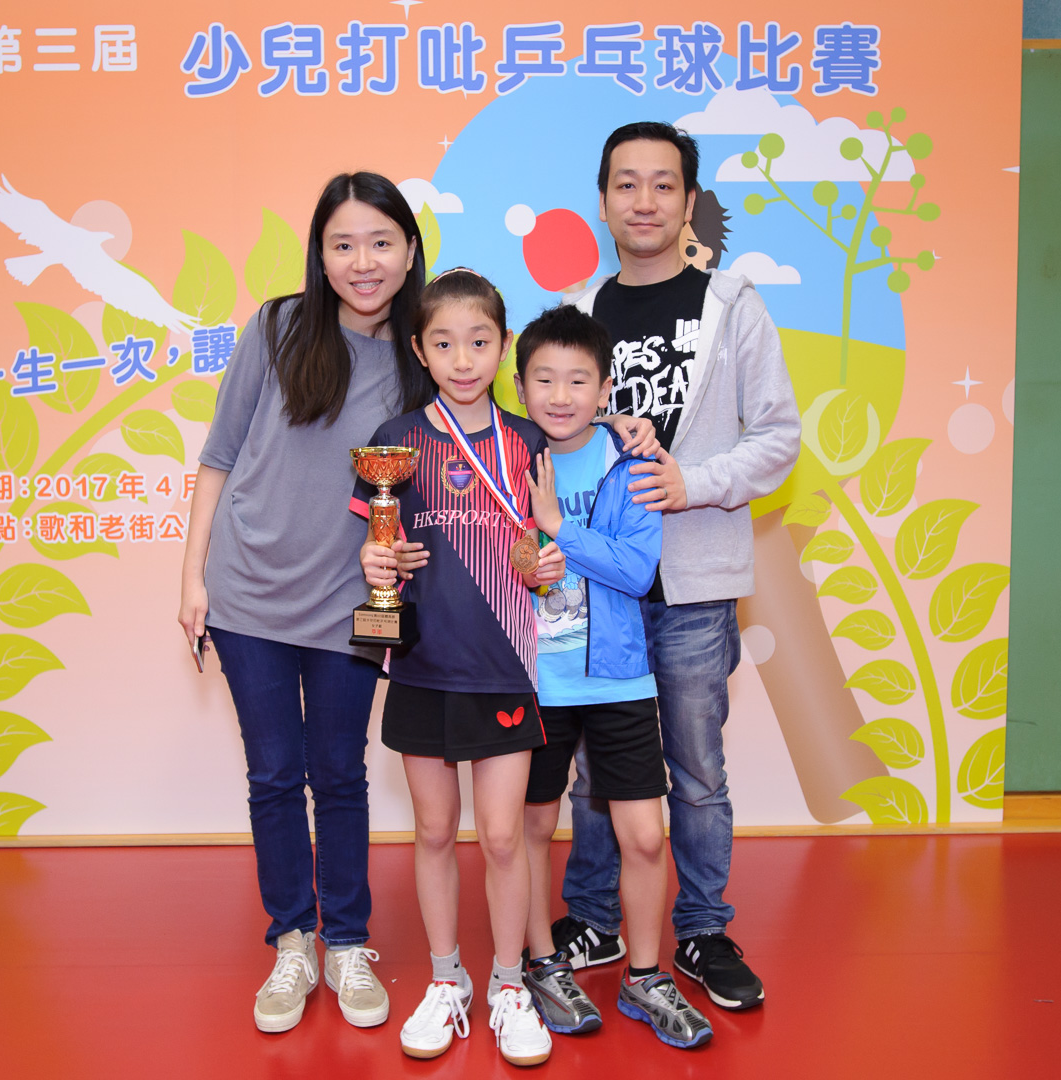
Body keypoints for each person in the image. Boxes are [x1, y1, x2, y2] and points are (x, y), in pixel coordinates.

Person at [553, 122, 801, 1011]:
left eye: (663, 184)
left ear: (688, 200)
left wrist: (692, 483)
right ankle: (593, 917)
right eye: (626, 184)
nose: (644, 201)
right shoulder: (579, 311)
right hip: (598, 587)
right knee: (594, 768)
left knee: (695, 771)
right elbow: (551, 424)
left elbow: (778, 437)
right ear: (603, 200)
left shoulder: (731, 305)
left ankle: (700, 930)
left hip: (693, 584)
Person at [177, 172, 432, 1035]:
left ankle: (346, 942)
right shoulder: (278, 327)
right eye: (342, 244)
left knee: (340, 775)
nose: (363, 262)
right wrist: (192, 578)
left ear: (408, 251)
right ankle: (291, 940)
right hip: (247, 594)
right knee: (274, 776)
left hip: (351, 602)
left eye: (380, 242)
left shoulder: (425, 354)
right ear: (320, 256)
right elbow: (218, 456)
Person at [356, 269, 559, 1067]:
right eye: (444, 343)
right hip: (421, 665)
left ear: (503, 346)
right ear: (419, 349)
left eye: (479, 342)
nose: (463, 359)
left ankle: (508, 983)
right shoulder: (394, 440)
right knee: (435, 830)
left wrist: (544, 563)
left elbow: (544, 551)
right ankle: (447, 979)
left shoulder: (528, 442)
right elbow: (375, 550)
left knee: (503, 836)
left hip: (504, 669)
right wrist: (380, 561)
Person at [513, 305, 713, 1049]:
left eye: (578, 381)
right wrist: (527, 554)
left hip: (620, 683)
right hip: (535, 685)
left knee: (645, 838)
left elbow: (635, 571)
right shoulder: (505, 461)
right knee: (532, 828)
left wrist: (561, 529)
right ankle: (542, 962)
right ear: (520, 386)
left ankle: (645, 975)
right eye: (543, 379)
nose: (559, 395)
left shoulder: (632, 466)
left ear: (604, 391)